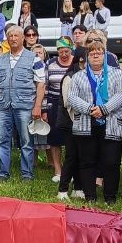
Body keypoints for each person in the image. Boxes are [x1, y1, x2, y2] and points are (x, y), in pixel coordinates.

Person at [64, 40, 122, 204]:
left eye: (99, 52)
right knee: (87, 162)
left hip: (112, 124)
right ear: (87, 57)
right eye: (92, 53)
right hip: (86, 124)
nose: (95, 55)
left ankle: (110, 198)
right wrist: (91, 109)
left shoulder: (116, 73)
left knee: (111, 162)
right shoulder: (79, 76)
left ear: (105, 55)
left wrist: (104, 109)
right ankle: (90, 196)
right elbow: (71, 97)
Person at [0, 23, 46, 182]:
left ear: (22, 39)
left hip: (25, 107)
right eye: (10, 36)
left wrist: (37, 106)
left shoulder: (33, 58)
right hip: (4, 106)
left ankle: (27, 174)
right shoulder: (0, 59)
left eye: (16, 36)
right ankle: (2, 172)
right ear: (7, 39)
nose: (13, 38)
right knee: (1, 141)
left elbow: (40, 84)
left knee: (26, 142)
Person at [43, 38, 75, 183]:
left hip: (73, 105)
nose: (63, 54)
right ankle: (58, 170)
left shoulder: (76, 63)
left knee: (72, 139)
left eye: (66, 51)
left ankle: (71, 169)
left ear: (71, 50)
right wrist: (44, 108)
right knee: (55, 139)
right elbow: (45, 87)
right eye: (61, 51)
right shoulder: (50, 64)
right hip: (54, 103)